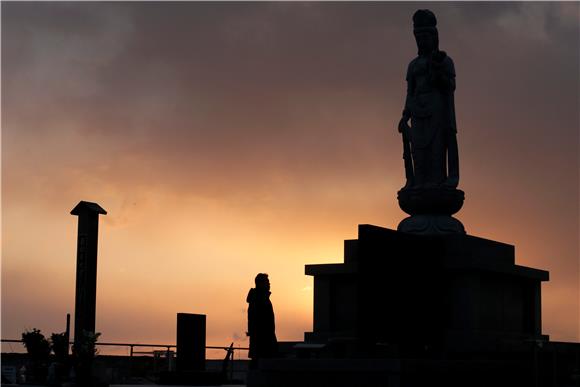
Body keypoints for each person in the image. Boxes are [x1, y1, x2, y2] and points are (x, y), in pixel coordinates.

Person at [398, 9, 459, 189]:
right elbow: (410, 92)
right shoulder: (413, 65)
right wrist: (405, 115)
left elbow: (450, 86)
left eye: (425, 36)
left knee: (436, 149)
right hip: (417, 110)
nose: (422, 41)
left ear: (434, 37)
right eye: (418, 37)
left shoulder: (444, 61)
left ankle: (438, 181)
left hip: (437, 109)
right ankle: (418, 182)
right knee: (418, 151)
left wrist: (437, 73)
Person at [246, 273, 278, 366]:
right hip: (262, 340)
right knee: (260, 365)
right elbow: (257, 321)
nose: (269, 284)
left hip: (264, 339)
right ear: (260, 284)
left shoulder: (260, 298)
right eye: (267, 282)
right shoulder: (258, 299)